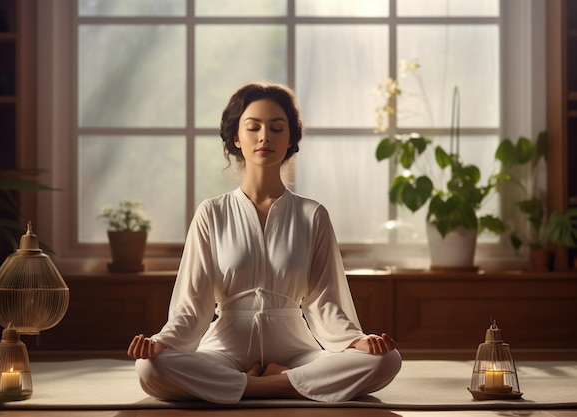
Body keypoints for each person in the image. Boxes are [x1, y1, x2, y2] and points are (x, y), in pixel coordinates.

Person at [127, 82, 401, 404]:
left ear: (290, 139)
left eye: (276, 127)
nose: (264, 136)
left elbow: (326, 302)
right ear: (236, 138)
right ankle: (284, 385)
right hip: (224, 348)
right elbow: (193, 304)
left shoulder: (312, 215)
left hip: (296, 350)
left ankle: (248, 386)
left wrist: (357, 341)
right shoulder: (211, 213)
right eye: (253, 127)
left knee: (386, 360)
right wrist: (162, 342)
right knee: (150, 368)